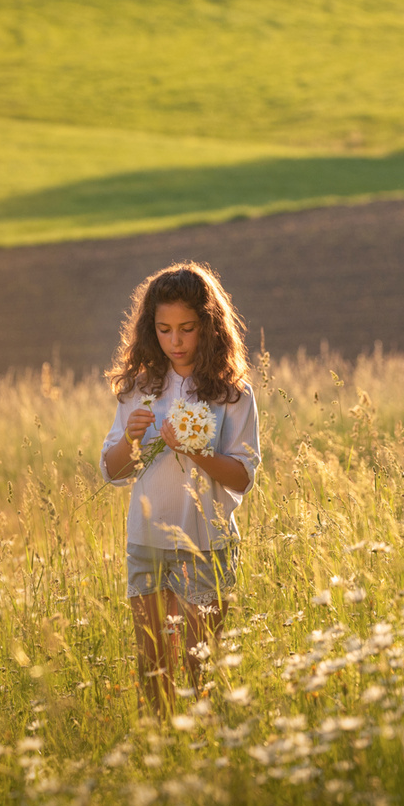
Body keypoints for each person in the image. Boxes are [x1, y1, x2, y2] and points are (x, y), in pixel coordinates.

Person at [100, 261, 261, 714]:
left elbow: (243, 476)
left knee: (198, 664)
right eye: (165, 329)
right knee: (153, 663)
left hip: (205, 542)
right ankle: (160, 747)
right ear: (151, 330)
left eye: (187, 329)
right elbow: (112, 472)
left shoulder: (232, 393)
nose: (176, 341)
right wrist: (131, 439)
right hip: (146, 541)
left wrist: (194, 450)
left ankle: (201, 745)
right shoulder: (140, 387)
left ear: (209, 327)